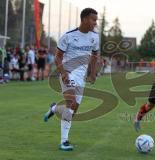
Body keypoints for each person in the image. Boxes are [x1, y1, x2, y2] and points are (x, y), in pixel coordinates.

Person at [43, 8, 99, 151]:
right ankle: (64, 142)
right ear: (85, 19)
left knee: (72, 110)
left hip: (81, 78)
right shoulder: (68, 36)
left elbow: (94, 56)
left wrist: (92, 73)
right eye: (93, 19)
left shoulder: (95, 37)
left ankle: (54, 108)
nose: (95, 22)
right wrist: (62, 73)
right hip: (68, 73)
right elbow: (57, 57)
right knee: (71, 104)